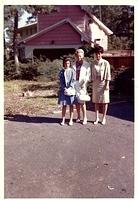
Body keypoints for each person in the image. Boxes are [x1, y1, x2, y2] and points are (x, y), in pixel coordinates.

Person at [91, 46, 111, 125]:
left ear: (101, 54)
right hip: (96, 83)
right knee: (96, 101)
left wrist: (107, 84)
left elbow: (108, 74)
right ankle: (96, 118)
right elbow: (90, 74)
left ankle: (104, 118)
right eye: (96, 54)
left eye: (99, 54)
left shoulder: (106, 63)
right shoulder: (93, 63)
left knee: (104, 101)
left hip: (103, 83)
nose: (98, 55)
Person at [72, 49, 91, 125]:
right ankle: (78, 116)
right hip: (75, 84)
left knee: (82, 101)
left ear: (83, 56)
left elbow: (88, 76)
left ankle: (85, 117)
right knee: (76, 102)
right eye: (77, 56)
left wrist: (84, 83)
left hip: (82, 85)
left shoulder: (87, 64)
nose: (78, 57)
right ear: (75, 56)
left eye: (80, 56)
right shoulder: (73, 64)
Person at [58, 57, 75, 126]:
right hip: (63, 90)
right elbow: (61, 81)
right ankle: (63, 119)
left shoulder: (72, 71)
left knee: (71, 105)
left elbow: (73, 80)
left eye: (68, 63)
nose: (67, 64)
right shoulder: (61, 71)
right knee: (64, 105)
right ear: (63, 63)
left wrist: (69, 87)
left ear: (70, 63)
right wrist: (64, 88)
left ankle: (71, 120)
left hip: (70, 90)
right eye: (66, 63)